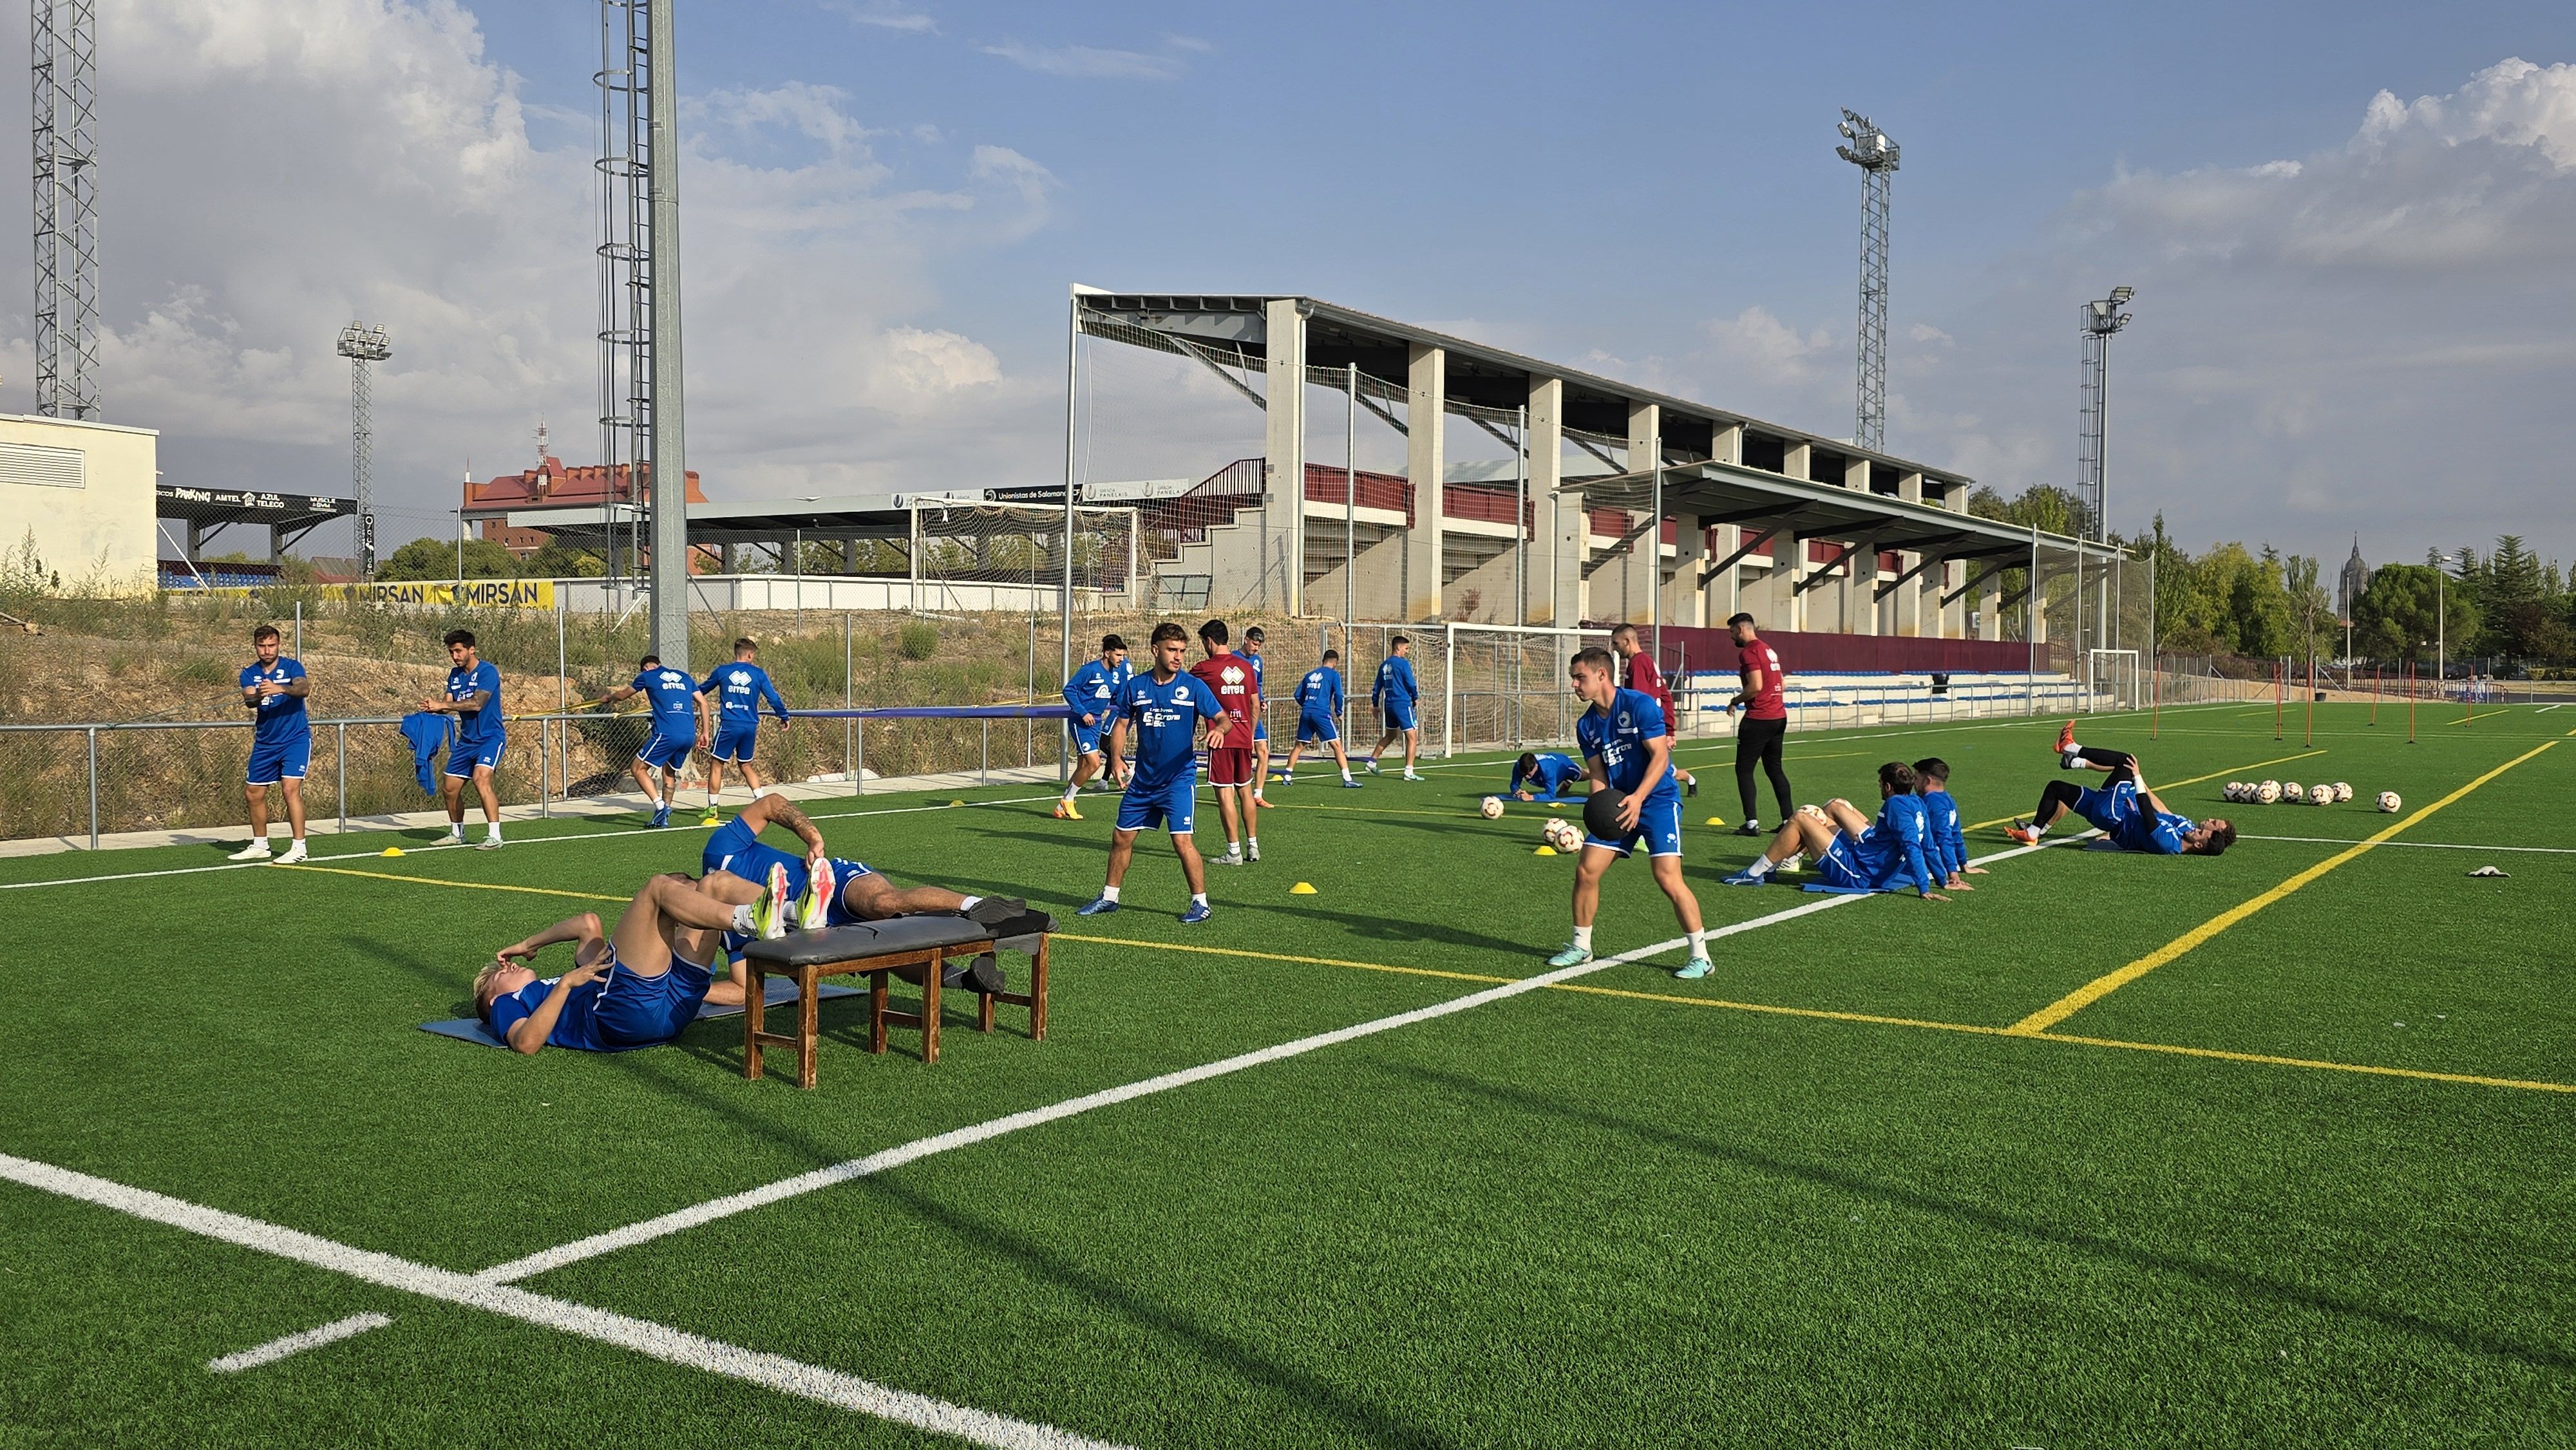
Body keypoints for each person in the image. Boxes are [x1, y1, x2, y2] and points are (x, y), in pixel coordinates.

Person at [472, 863, 795, 1055]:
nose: (507, 965)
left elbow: (587, 923)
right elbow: (526, 1043)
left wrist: (528, 944)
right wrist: (568, 983)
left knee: (713, 883)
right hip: (622, 1017)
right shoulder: (506, 1005)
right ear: (492, 998)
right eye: (498, 975)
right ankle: (750, 918)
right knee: (658, 888)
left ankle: (795, 914)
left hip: (674, 1013)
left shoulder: (551, 985)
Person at [704, 789, 1033, 979]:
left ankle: (977, 905)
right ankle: (964, 980)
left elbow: (771, 803)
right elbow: (741, 987)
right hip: (817, 928)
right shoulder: (728, 918)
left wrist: (813, 837)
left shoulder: (719, 853)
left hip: (829, 880)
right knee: (884, 953)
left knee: (883, 903)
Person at [1549, 646, 1712, 980]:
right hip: (1620, 802)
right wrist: (1599, 811)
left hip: (1657, 799)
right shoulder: (1587, 725)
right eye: (1574, 679)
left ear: (1602, 675)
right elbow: (1598, 774)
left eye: (1580, 678)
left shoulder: (1638, 705)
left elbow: (1660, 759)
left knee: (1667, 877)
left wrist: (1638, 798)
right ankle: (1581, 946)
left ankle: (1701, 956)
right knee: (1587, 870)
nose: (1575, 685)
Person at [1079, 621, 1233, 923]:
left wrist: (1220, 731)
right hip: (1143, 782)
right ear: (1155, 650)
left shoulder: (1193, 686)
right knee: (1121, 837)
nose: (1178, 656)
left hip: (1178, 780)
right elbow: (1122, 724)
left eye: (1182, 651)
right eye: (1172, 650)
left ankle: (1201, 904)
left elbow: (1222, 717)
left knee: (1181, 842)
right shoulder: (1136, 686)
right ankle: (1109, 897)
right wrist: (1117, 758)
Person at [1721, 762, 1949, 900]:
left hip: (1860, 875)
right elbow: (1927, 845)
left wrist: (1924, 887)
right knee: (1824, 811)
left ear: (1888, 787)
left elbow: (1912, 847)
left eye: (1880, 783)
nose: (1879, 787)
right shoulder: (1917, 804)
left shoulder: (1894, 805)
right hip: (1868, 861)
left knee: (1803, 817)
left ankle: (1754, 874)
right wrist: (1943, 879)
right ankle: (1771, 868)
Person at [2004, 724, 2237, 855]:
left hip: (2113, 816)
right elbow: (2161, 811)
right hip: (2114, 811)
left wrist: (2137, 780)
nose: (2200, 827)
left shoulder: (2169, 844)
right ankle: (2033, 833)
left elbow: (2148, 816)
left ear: (2198, 844)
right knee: (2056, 788)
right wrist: (2140, 783)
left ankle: (2073, 748)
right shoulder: (2184, 828)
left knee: (2125, 761)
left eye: (2203, 832)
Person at [231, 623, 312, 863]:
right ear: (256, 647)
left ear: (278, 645)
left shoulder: (292, 667)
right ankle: (260, 845)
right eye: (262, 646)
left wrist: (281, 689)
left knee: (290, 789)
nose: (267, 650)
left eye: (271, 645)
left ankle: (299, 848)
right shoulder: (249, 673)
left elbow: (303, 688)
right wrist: (258, 694)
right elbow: (250, 700)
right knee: (253, 793)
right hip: (265, 742)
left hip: (295, 739)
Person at [422, 629, 505, 849]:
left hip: (490, 738)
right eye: (451, 652)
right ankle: (457, 833)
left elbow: (477, 703)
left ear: (472, 649)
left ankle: (495, 836)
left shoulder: (488, 671)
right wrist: (434, 708)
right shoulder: (455, 675)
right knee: (450, 789)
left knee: (481, 779)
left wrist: (443, 705)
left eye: (458, 651)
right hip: (467, 742)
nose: (455, 656)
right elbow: (447, 704)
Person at [1189, 619, 1261, 864]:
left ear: (1209, 641)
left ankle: (1234, 852)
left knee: (1224, 796)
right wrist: (1250, 735)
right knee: (1245, 792)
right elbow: (1254, 705)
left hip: (1221, 739)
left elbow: (1182, 686)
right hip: (1243, 738)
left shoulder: (1204, 668)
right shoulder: (1246, 667)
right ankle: (1253, 846)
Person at [600, 653, 701, 829]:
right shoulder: (685, 677)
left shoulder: (647, 676)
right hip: (689, 734)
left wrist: (610, 698)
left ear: (645, 668)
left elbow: (624, 695)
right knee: (669, 774)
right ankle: (664, 818)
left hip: (667, 733)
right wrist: (706, 732)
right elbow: (704, 703)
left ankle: (661, 807)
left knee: (637, 768)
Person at [698, 638, 791, 810]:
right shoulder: (758, 674)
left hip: (729, 725)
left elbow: (701, 690)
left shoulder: (722, 671)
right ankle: (762, 803)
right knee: (746, 765)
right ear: (750, 654)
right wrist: (784, 716)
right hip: (750, 726)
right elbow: (773, 698)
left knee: (717, 764)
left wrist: (682, 694)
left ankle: (712, 810)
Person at [1723, 612, 1792, 838]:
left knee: (1744, 769)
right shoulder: (1768, 650)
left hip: (1759, 719)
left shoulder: (1750, 652)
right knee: (1774, 769)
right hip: (1778, 716)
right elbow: (1781, 683)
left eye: (1733, 632)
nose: (1732, 638)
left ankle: (1751, 823)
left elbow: (1755, 686)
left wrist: (1734, 701)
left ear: (1741, 629)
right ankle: (1788, 820)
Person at [1611, 623, 1696, 797]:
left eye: (1616, 643)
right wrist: (1670, 730)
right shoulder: (1646, 661)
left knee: (1656, 769)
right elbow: (1666, 697)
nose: (1614, 648)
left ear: (1627, 641)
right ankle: (1687, 779)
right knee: (1658, 766)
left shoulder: (1639, 664)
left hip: (1645, 729)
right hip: (1653, 727)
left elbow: (1638, 701)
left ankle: (1662, 798)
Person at [1057, 634, 1130, 820]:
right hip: (1081, 722)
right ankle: (1068, 800)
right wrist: (1083, 712)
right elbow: (1069, 690)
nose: (1122, 659)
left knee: (1083, 766)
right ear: (1107, 653)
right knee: (1095, 763)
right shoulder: (1090, 670)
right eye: (1118, 655)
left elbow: (1117, 696)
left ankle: (1061, 806)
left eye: (1123, 655)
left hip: (1096, 722)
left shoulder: (1117, 673)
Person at [1280, 650, 1359, 787]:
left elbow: (1298, 695)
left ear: (1323, 660)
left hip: (1306, 712)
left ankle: (1287, 776)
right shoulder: (1334, 675)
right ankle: (1348, 779)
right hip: (1321, 714)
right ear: (1335, 663)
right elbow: (1339, 695)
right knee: (1337, 746)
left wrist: (1307, 705)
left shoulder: (1310, 675)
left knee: (1299, 746)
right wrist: (1339, 711)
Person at [1912, 757, 1983, 892]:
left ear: (1927, 781)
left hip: (1929, 859)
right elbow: (1955, 834)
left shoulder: (1932, 802)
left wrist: (1952, 872)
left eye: (1916, 778)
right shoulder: (1948, 799)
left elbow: (1943, 837)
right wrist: (1963, 864)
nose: (1913, 783)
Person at [1365, 636, 1423, 780]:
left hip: (1389, 704)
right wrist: (1415, 697)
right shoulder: (1402, 664)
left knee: (1391, 735)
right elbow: (1410, 682)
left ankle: (1372, 762)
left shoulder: (1384, 665)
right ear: (1398, 647)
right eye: (1406, 648)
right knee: (1412, 737)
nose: (1407, 651)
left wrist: (1375, 705)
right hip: (1402, 704)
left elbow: (1377, 687)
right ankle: (1409, 772)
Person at [1241, 625, 1274, 805]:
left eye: (1259, 645)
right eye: (1254, 644)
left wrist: (1261, 700)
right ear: (1246, 639)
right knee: (1242, 753)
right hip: (1237, 714)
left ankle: (1258, 795)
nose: (1256, 648)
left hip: (1253, 713)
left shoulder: (1257, 661)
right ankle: (1230, 789)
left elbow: (1258, 684)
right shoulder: (1232, 658)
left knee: (1263, 751)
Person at [1509, 751, 1586, 801]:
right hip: (1553, 764)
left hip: (1565, 765)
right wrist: (1516, 791)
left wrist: (1531, 797)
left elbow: (1551, 795)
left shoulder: (1547, 769)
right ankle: (1567, 783)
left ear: (1536, 766)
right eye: (1523, 774)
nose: (1526, 777)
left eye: (1529, 774)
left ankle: (1596, 774)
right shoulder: (1519, 766)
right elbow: (1514, 784)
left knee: (1584, 776)